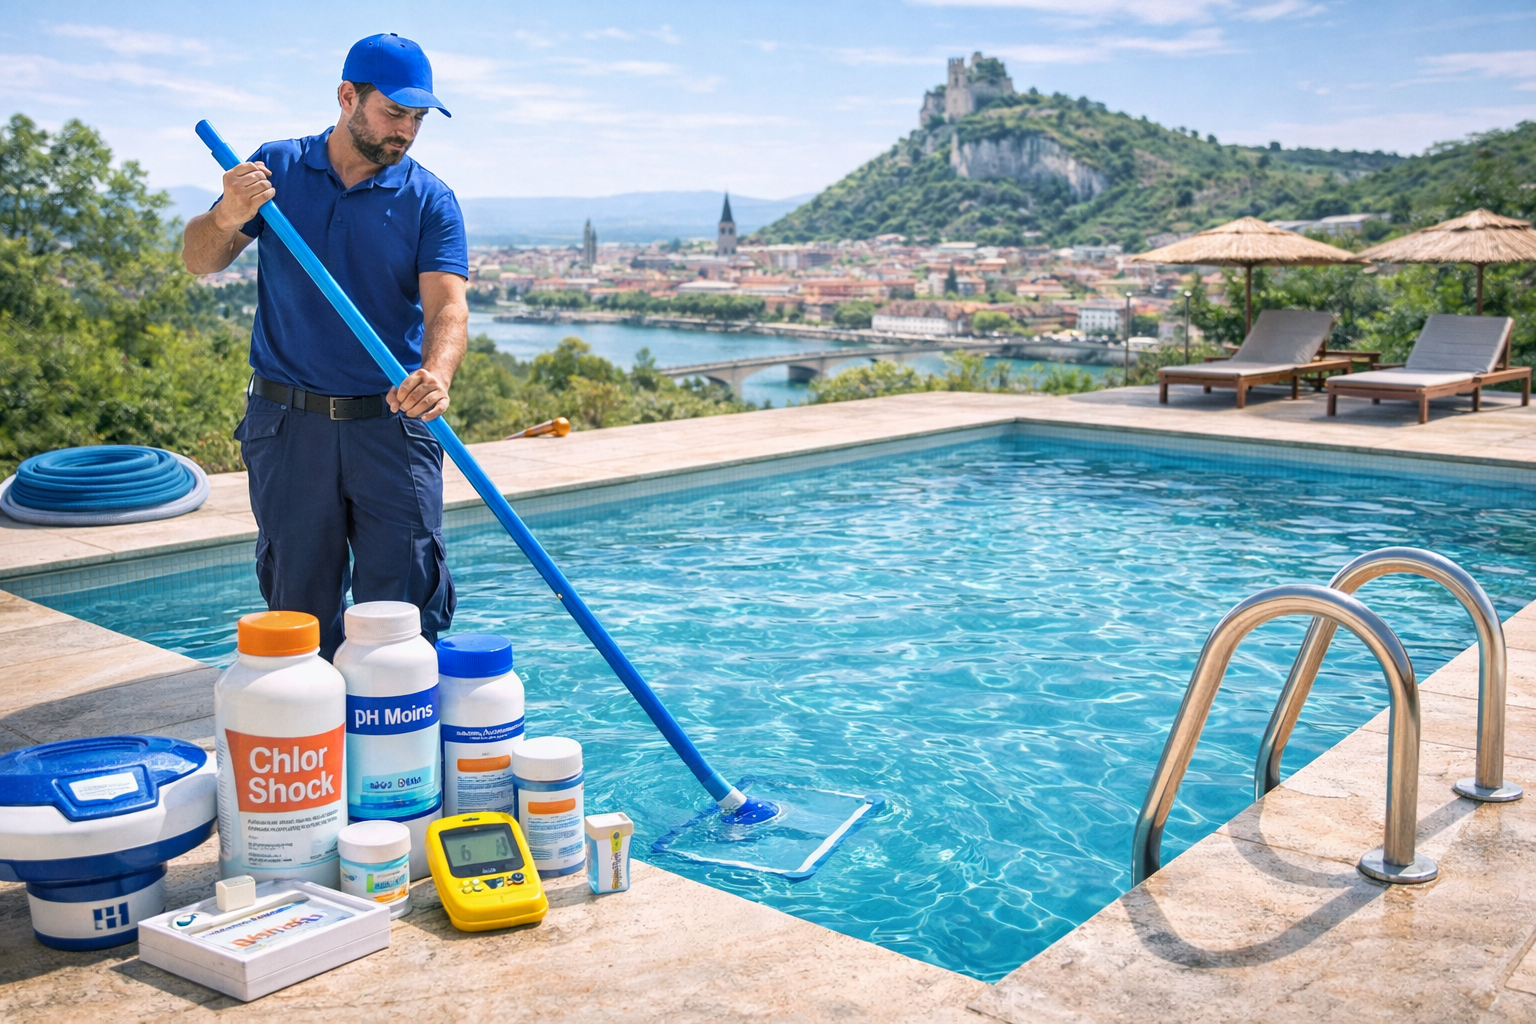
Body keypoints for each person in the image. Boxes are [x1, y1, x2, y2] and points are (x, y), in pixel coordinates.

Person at [183, 33, 468, 658]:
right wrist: (227, 214)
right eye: (395, 112)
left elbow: (448, 307)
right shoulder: (277, 169)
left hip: (394, 427)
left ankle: (394, 721)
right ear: (347, 97)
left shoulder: (430, 199)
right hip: (289, 427)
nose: (407, 131)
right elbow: (199, 259)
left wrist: (437, 373)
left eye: (418, 118)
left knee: (404, 620)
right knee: (299, 612)